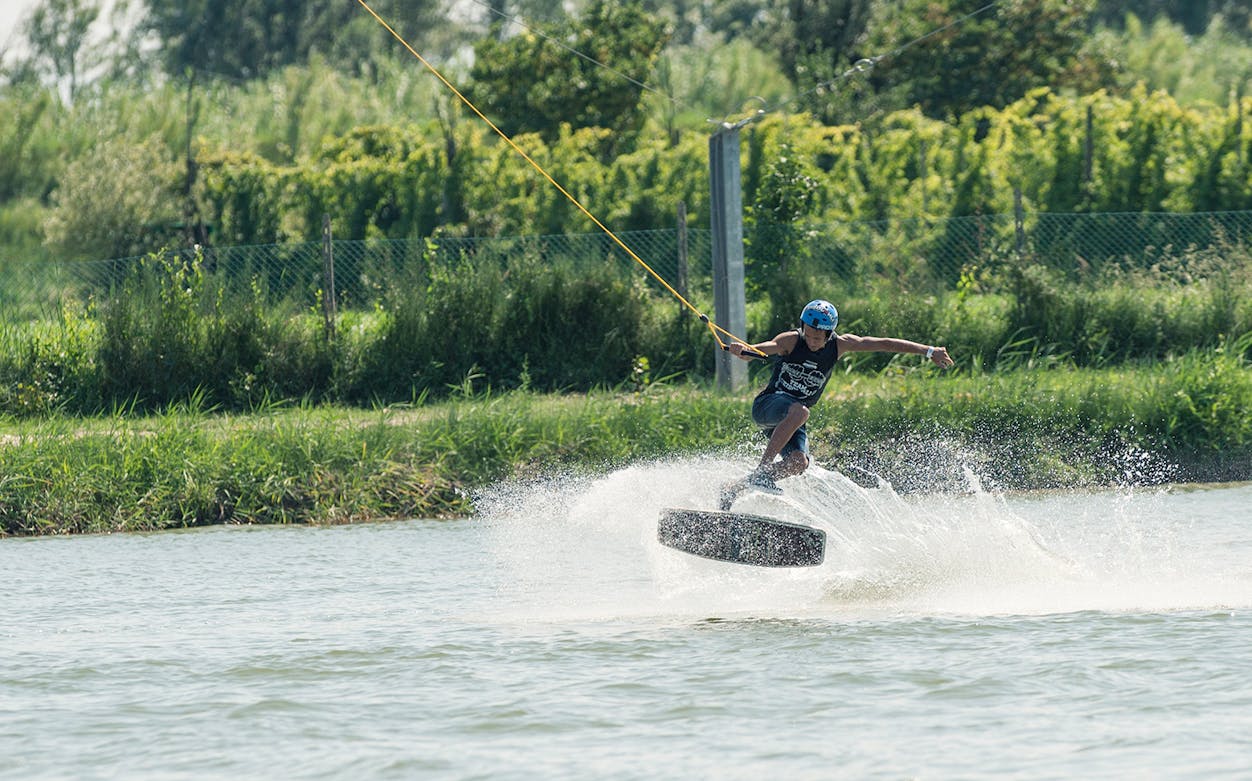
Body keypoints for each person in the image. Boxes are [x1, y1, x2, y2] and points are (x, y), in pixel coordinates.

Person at [719, 298, 954, 510]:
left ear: (829, 334)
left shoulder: (840, 345)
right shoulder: (791, 340)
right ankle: (762, 471)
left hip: (792, 420)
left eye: (817, 338)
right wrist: (746, 351)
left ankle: (734, 489)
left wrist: (929, 351)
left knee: (799, 463)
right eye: (808, 334)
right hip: (769, 406)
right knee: (801, 411)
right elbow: (765, 348)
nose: (811, 341)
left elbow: (885, 343)